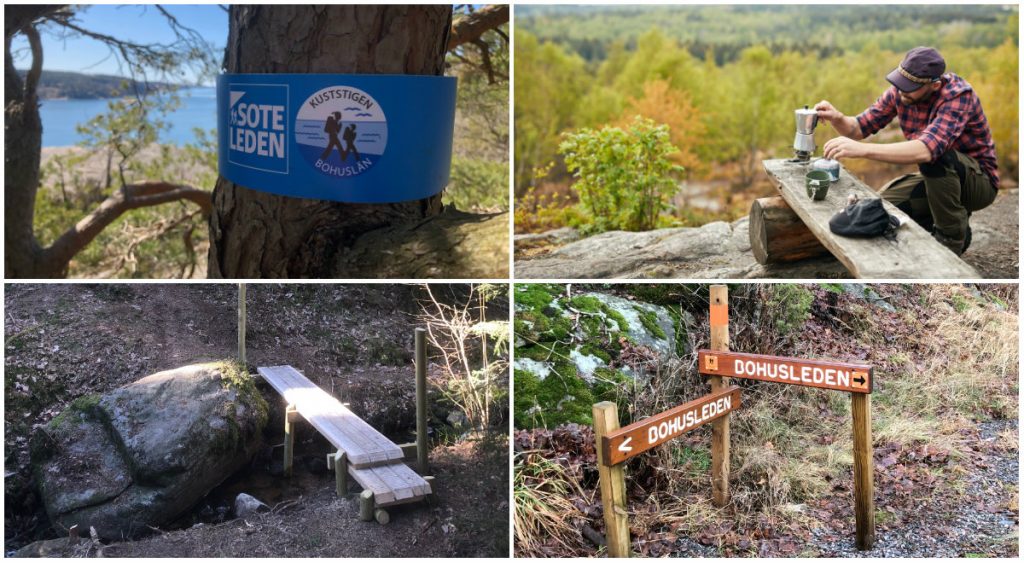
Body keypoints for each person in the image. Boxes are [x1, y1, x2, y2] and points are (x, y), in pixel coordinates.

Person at [814, 47, 998, 255]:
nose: (901, 90)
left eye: (910, 87)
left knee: (937, 158)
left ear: (934, 85)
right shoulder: (902, 91)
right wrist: (837, 117)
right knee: (880, 209)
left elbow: (926, 150)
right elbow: (858, 128)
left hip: (978, 183)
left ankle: (951, 242)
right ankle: (955, 223)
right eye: (900, 83)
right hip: (940, 180)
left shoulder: (957, 96)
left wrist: (863, 150)